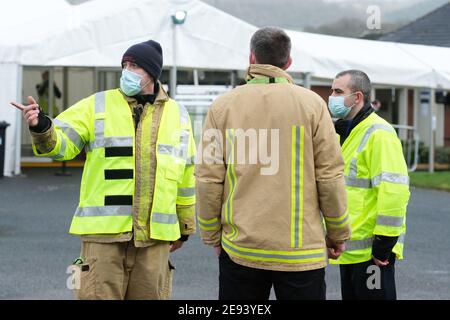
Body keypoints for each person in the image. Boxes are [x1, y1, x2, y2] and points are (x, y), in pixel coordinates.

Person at [11, 40, 196, 300]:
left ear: (152, 73)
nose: (127, 71)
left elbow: (186, 174)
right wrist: (42, 127)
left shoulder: (179, 115)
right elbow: (62, 145)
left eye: (135, 66)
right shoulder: (96, 105)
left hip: (154, 241)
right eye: (125, 65)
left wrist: (185, 227)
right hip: (103, 240)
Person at [195, 27, 351, 300]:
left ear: (251, 57)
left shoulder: (222, 107)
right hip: (301, 252)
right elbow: (330, 177)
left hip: (242, 249)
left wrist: (211, 235)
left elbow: (208, 178)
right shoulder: (313, 105)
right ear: (288, 62)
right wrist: (338, 232)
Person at [328, 70, 410, 300]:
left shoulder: (379, 134)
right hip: (350, 250)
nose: (331, 97)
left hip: (372, 252)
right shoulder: (343, 132)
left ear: (357, 97)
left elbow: (394, 190)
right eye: (331, 90)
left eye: (338, 91)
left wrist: (383, 243)